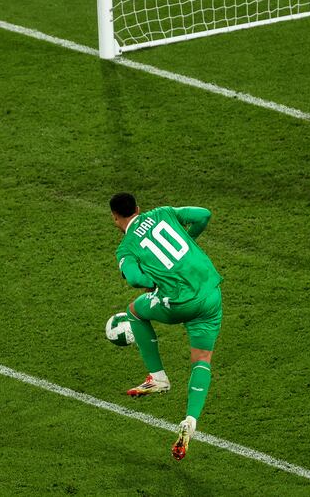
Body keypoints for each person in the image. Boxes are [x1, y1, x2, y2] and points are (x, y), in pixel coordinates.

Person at [110, 193, 223, 461]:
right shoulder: (163, 212)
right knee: (202, 359)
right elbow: (203, 214)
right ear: (138, 208)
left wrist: (154, 278)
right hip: (210, 294)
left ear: (115, 217)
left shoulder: (125, 248)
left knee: (135, 311)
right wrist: (189, 239)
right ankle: (190, 420)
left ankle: (158, 377)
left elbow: (135, 277)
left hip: (178, 302)